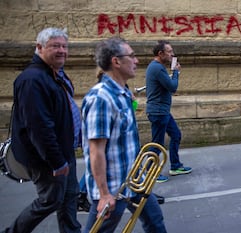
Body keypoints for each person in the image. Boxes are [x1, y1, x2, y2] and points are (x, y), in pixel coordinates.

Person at [81, 37, 167, 233]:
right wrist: (104, 195)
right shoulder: (101, 98)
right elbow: (96, 151)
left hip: (134, 180)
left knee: (155, 222)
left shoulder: (123, 93)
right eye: (132, 56)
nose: (136, 61)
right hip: (114, 187)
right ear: (116, 61)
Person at [2, 27, 81, 233]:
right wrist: (56, 161)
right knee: (51, 200)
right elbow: (39, 127)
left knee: (69, 197)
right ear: (39, 47)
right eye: (55, 46)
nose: (62, 50)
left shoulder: (54, 74)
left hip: (64, 151)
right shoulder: (32, 80)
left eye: (64, 46)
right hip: (47, 158)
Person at [145, 40, 192, 183]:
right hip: (158, 112)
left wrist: (173, 74)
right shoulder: (157, 68)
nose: (172, 55)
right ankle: (150, 172)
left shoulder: (158, 68)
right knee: (157, 144)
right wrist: (176, 73)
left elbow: (166, 84)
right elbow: (172, 87)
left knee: (176, 135)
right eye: (169, 52)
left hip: (163, 111)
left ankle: (175, 166)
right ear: (160, 53)